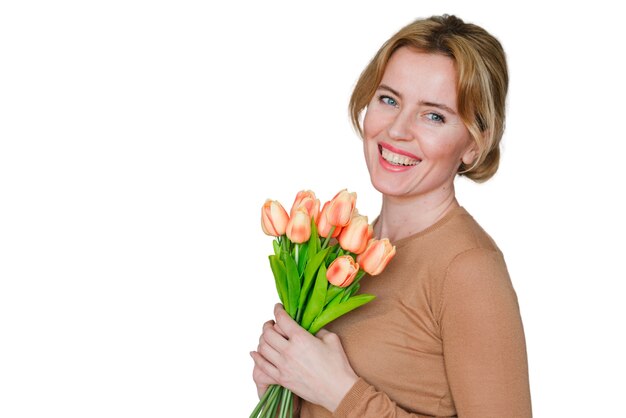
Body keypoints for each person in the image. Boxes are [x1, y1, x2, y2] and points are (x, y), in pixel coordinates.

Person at [250, 14, 532, 417]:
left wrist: (341, 392)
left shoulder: (468, 270)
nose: (397, 129)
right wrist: (284, 392)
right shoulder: (337, 247)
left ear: (473, 144)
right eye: (389, 99)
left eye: (433, 115)